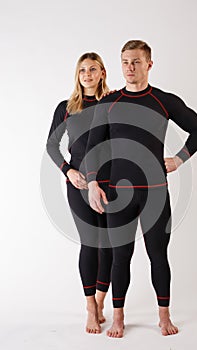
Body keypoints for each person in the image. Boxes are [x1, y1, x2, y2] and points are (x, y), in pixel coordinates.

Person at [86, 40, 197, 338]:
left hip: (155, 191)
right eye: (126, 62)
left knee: (158, 255)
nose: (130, 67)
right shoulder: (109, 102)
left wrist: (179, 159)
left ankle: (164, 316)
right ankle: (118, 318)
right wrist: (92, 183)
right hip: (118, 194)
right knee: (120, 257)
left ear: (149, 64)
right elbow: (93, 147)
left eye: (136, 62)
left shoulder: (163, 100)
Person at [46, 52, 113, 334]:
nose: (87, 74)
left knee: (109, 244)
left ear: (101, 73)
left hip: (110, 183)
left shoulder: (112, 103)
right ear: (78, 74)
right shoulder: (66, 107)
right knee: (90, 242)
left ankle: (100, 303)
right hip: (79, 184)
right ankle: (89, 308)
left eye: (93, 69)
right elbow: (52, 145)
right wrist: (68, 171)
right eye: (82, 69)